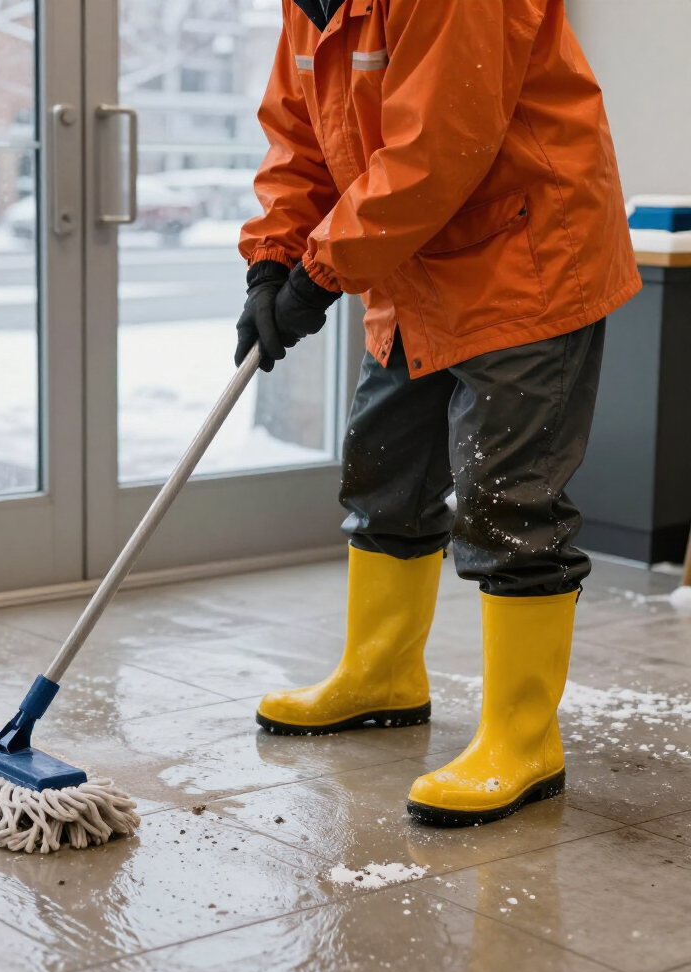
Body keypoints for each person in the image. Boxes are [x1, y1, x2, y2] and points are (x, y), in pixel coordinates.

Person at [236, 0, 640, 827]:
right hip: (412, 265)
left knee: (507, 497)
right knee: (383, 469)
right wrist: (272, 262)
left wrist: (319, 275)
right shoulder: (307, 8)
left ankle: (524, 740)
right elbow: (299, 139)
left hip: (525, 257)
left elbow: (437, 145)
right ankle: (381, 674)